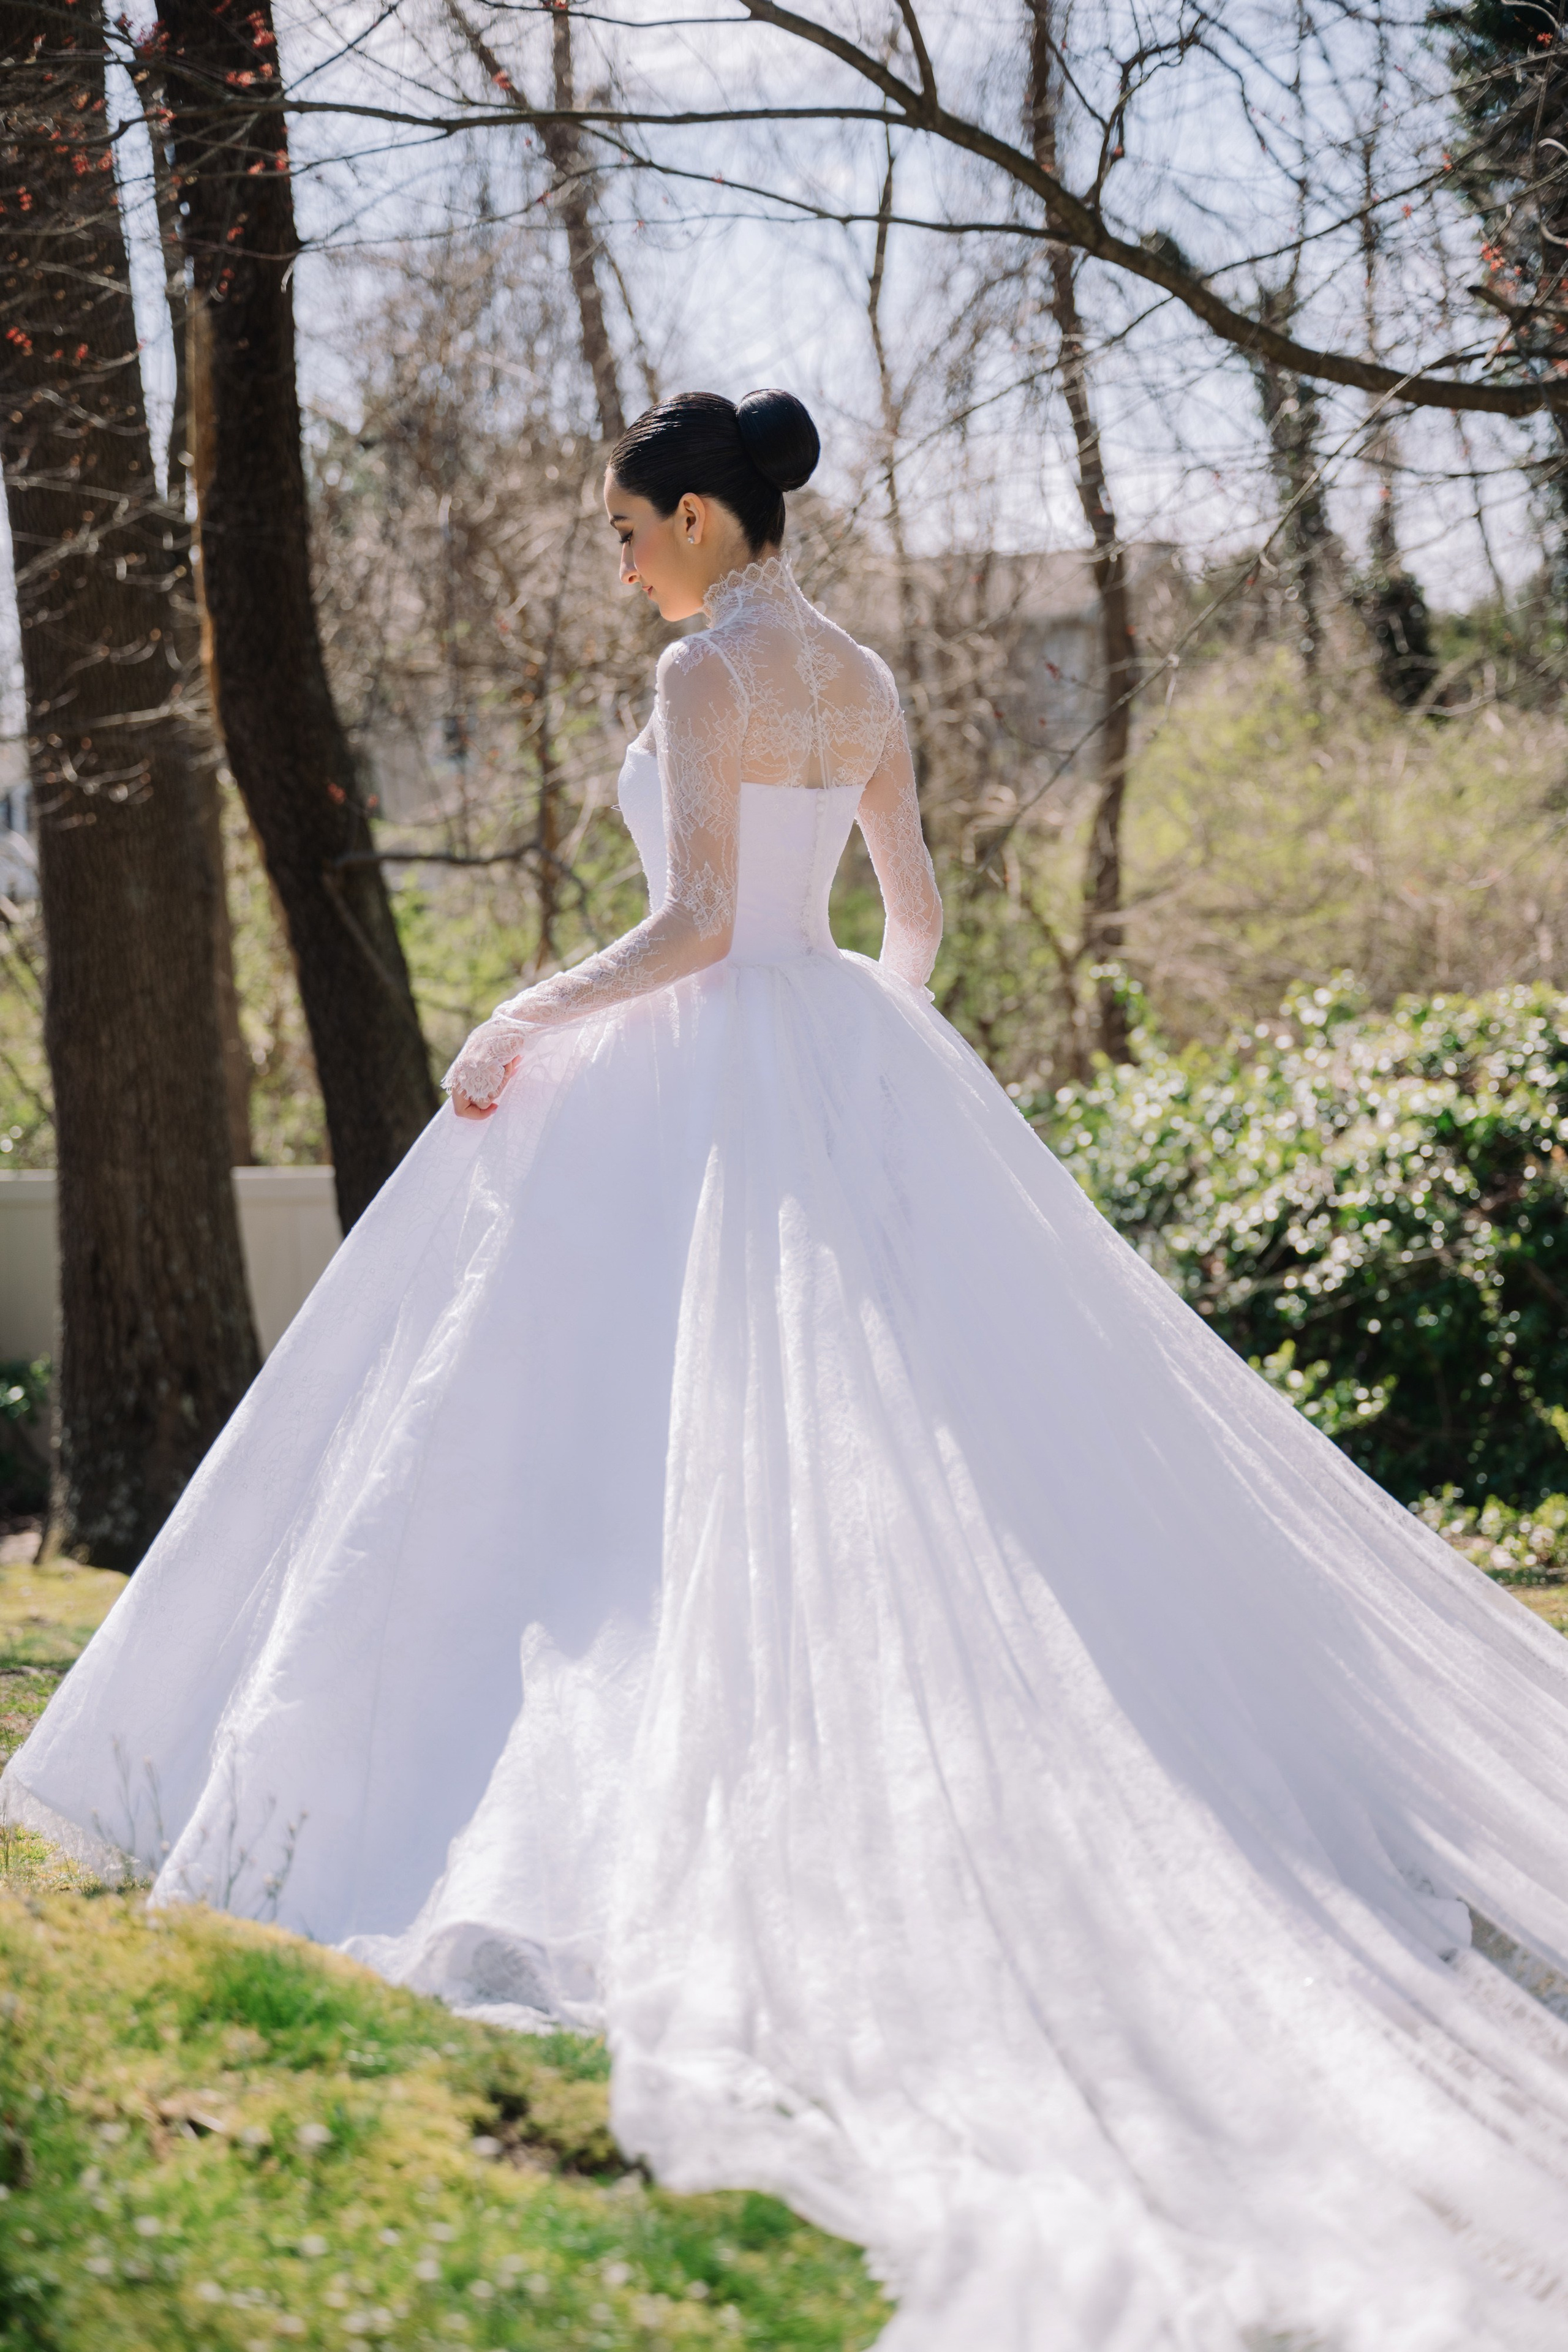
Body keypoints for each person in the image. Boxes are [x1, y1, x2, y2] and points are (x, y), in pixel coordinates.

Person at [8, 387, 1568, 2350]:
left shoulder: (701, 687)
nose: (621, 556)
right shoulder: (865, 675)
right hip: (834, 1059)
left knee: (610, 1458)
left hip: (700, 1067)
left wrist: (528, 1007)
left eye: (628, 526)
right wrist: (862, 1092)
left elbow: (690, 923)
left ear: (702, 519)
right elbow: (901, 922)